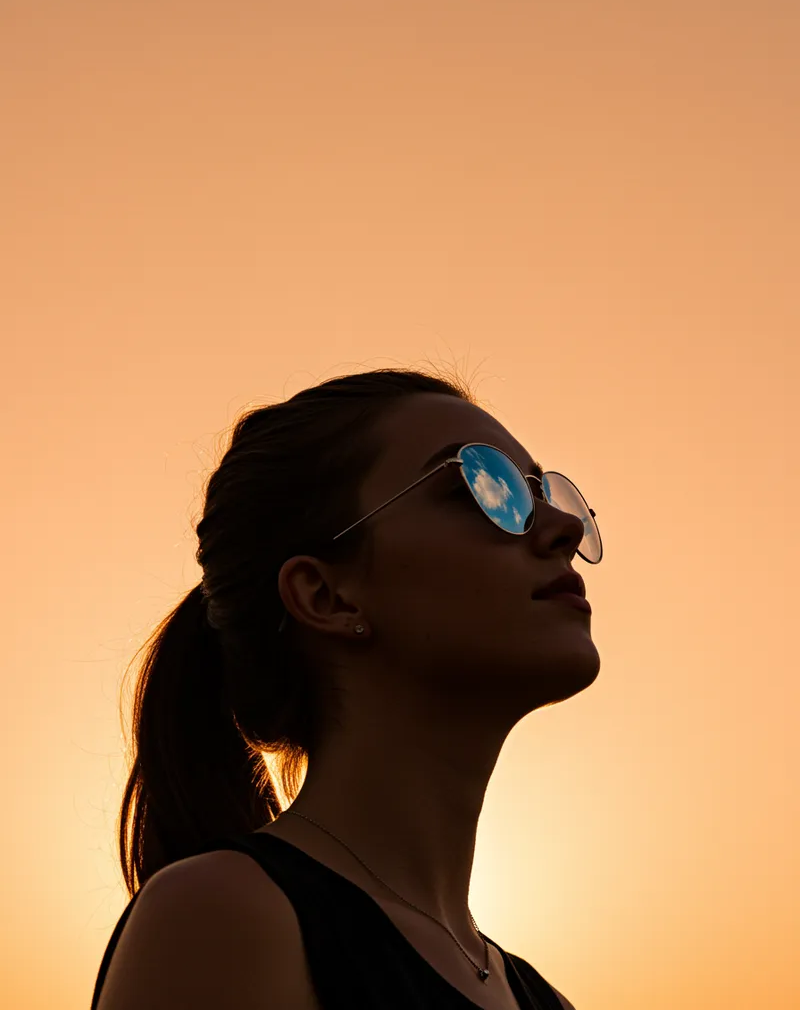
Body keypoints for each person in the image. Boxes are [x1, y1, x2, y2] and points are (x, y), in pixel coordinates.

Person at [91, 367, 602, 1009]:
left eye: (542, 494)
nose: (561, 529)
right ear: (325, 595)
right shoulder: (225, 918)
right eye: (484, 487)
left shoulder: (540, 1000)